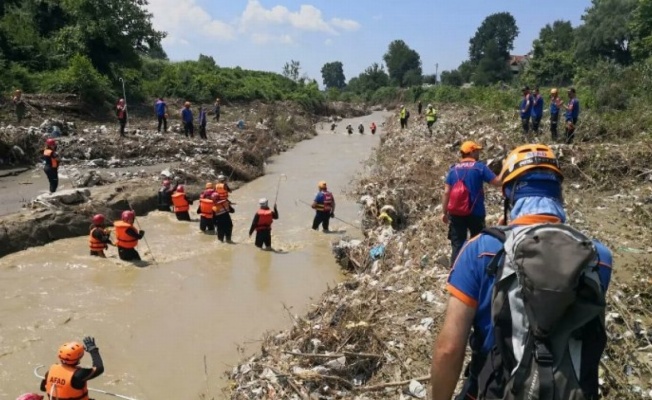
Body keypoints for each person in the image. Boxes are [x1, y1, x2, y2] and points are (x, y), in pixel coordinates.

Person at [429, 144, 613, 400]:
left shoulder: (480, 251)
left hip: (497, 389)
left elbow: (449, 349)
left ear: (510, 194)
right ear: (559, 193)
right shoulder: (599, 257)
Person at [441, 141, 501, 265]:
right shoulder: (479, 167)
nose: (479, 153)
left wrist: (444, 212)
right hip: (476, 212)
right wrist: (509, 169)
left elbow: (446, 192)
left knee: (457, 245)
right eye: (477, 150)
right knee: (478, 243)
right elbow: (497, 182)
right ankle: (477, 272)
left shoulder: (453, 170)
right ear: (472, 152)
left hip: (456, 213)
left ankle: (455, 274)